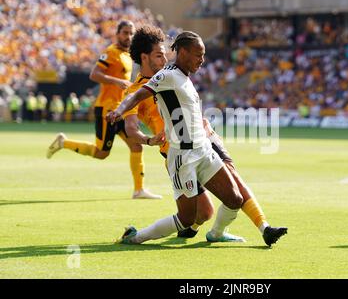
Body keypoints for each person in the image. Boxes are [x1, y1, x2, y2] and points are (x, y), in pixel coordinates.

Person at [108, 30, 287, 246]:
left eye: (203, 55)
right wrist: (119, 110)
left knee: (235, 199)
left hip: (203, 149)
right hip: (182, 156)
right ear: (182, 52)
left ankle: (217, 233)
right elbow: (137, 95)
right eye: (197, 55)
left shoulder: (184, 76)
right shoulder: (167, 75)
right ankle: (136, 237)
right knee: (187, 218)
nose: (202, 60)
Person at [46, 20, 161, 199]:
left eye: (131, 33)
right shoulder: (111, 52)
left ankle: (139, 190)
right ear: (117, 34)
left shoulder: (127, 55)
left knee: (136, 145)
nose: (128, 36)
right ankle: (64, 143)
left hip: (120, 110)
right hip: (107, 109)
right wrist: (117, 81)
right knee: (101, 153)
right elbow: (94, 74)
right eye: (125, 32)